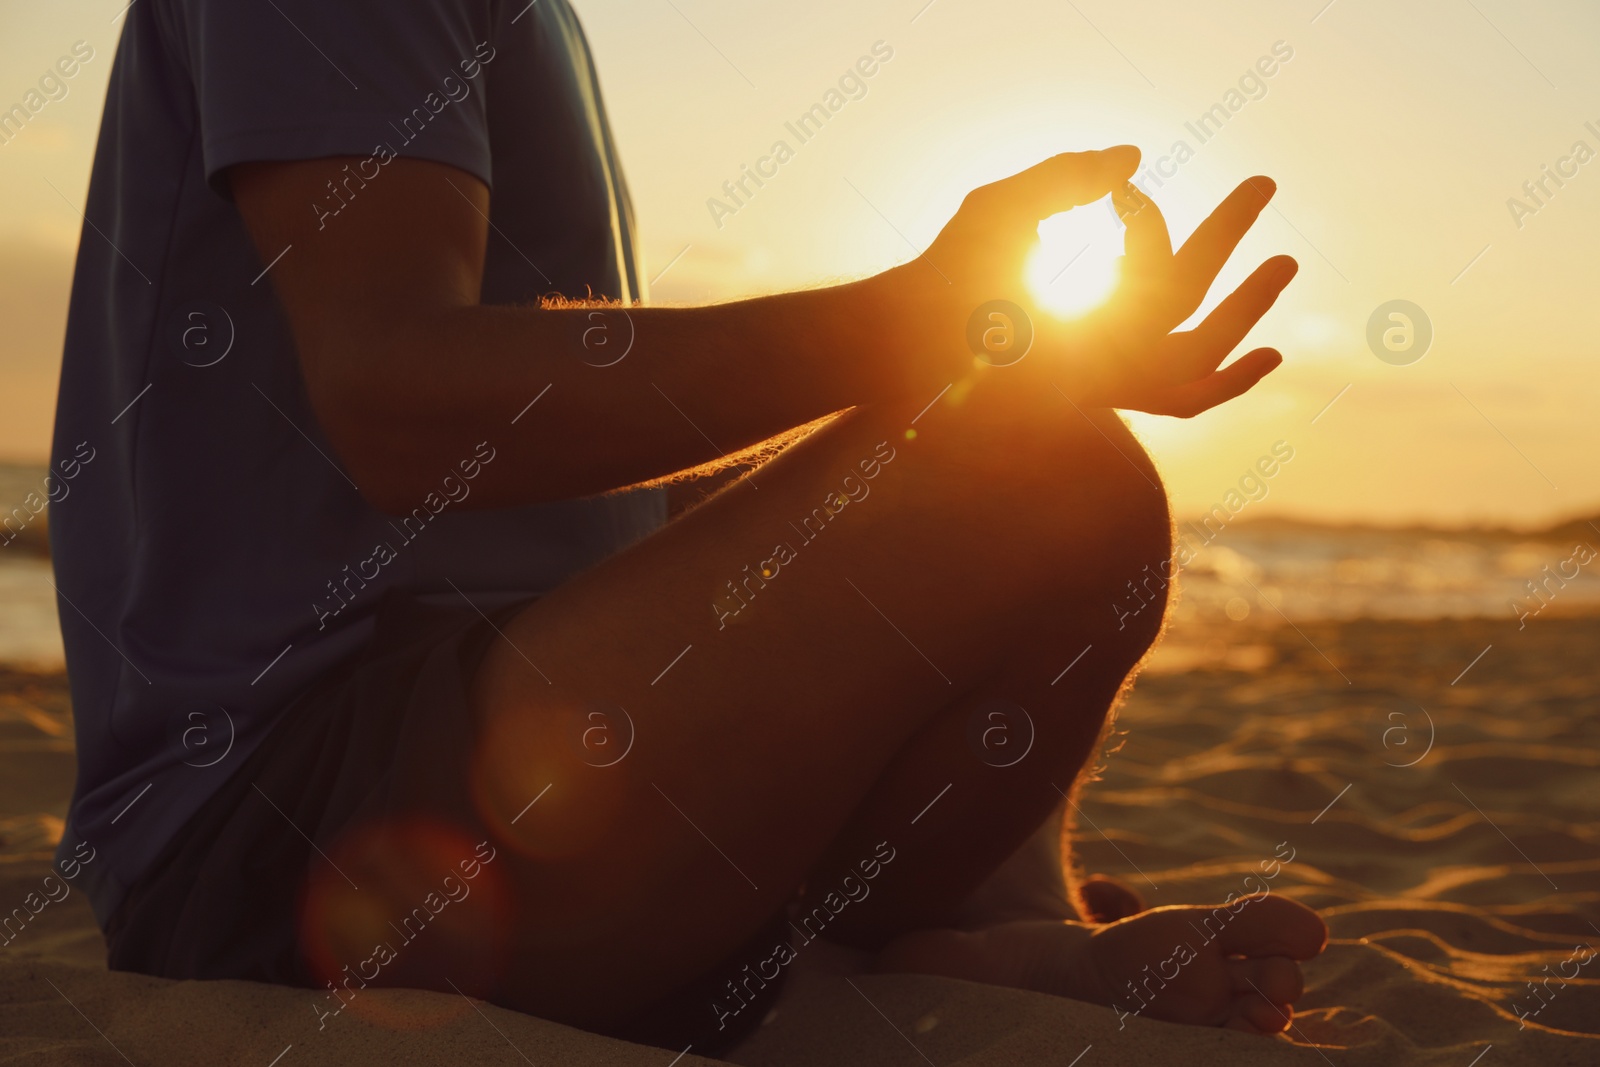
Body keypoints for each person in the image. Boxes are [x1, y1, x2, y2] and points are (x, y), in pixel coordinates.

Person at [50, 0, 1326, 1057]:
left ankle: (981, 931)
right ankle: (882, 944)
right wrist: (913, 324)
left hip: (501, 724)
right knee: (1049, 473)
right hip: (287, 823)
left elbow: (584, 493)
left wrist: (987, 367)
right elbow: (400, 404)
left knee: (1018, 453)